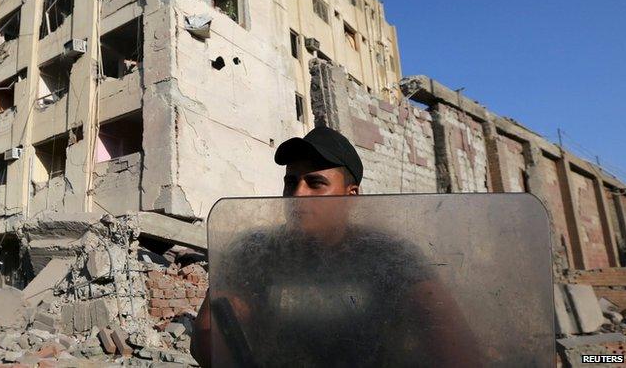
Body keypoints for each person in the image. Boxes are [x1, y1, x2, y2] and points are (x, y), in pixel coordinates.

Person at [191, 127, 479, 367]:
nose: (297, 195)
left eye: (315, 183)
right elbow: (209, 338)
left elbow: (455, 349)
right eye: (291, 182)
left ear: (350, 196)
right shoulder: (254, 252)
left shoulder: (390, 256)